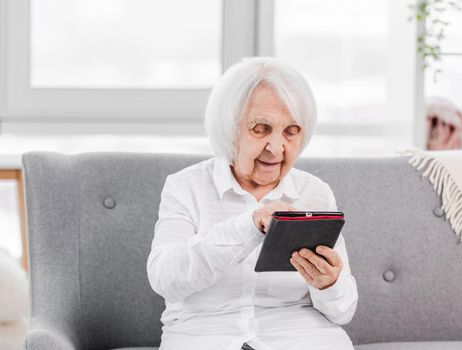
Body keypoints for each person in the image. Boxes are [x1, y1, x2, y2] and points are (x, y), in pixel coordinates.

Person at [147, 57, 358, 350]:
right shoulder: (186, 187)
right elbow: (165, 278)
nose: (276, 148)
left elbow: (343, 311)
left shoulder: (315, 192)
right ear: (229, 128)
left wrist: (329, 283)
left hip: (302, 337)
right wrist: (248, 225)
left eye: (291, 131)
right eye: (261, 129)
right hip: (205, 335)